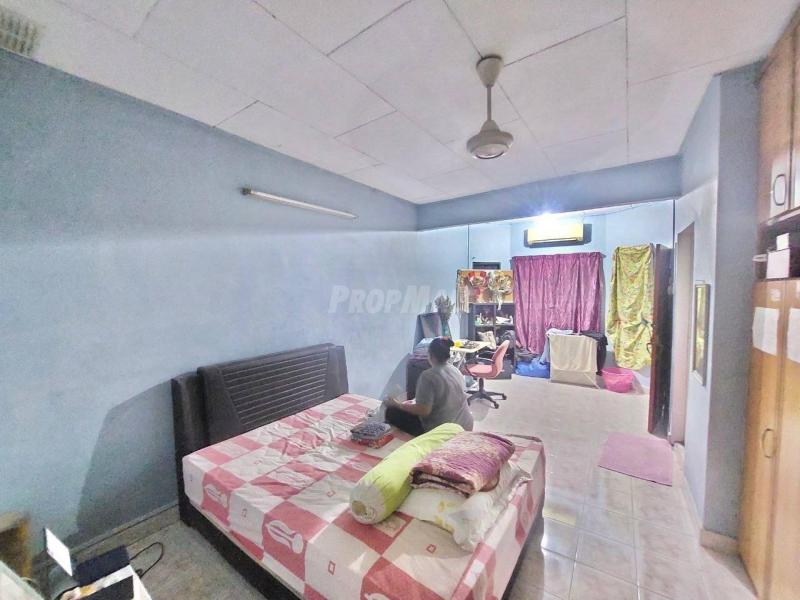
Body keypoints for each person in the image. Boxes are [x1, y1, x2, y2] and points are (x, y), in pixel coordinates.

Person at [385, 337, 474, 435]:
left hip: (444, 431)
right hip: (466, 424)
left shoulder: (428, 376)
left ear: (431, 355)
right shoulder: (455, 370)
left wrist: (398, 404)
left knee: (391, 412)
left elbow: (424, 410)